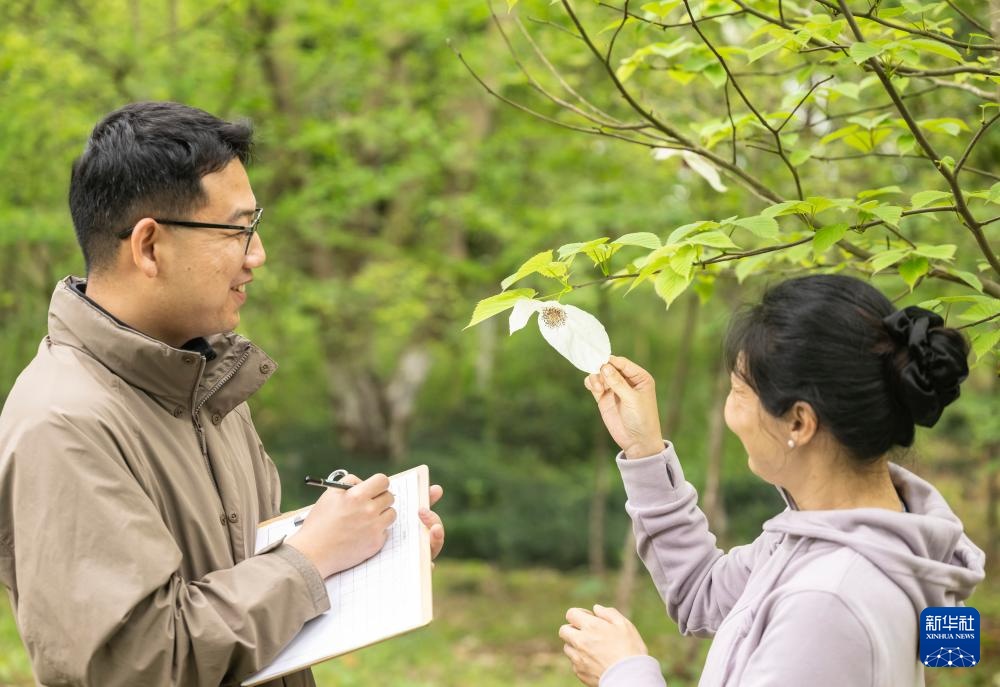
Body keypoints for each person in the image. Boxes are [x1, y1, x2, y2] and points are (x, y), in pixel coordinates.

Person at [0, 101, 446, 687]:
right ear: (150, 247)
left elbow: (237, 577)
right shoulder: (62, 424)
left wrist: (364, 550)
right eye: (238, 230)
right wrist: (311, 559)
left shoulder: (201, 379)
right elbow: (136, 663)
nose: (256, 257)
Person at [558, 274, 985, 686]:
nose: (731, 412)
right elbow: (702, 595)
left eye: (739, 391)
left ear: (799, 422)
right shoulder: (855, 536)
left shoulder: (826, 602)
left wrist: (625, 672)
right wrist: (645, 451)